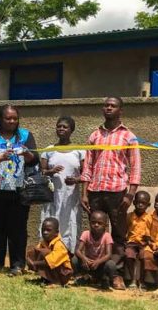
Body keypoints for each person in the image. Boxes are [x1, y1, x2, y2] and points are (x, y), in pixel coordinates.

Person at [0, 104, 39, 276]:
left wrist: (29, 156)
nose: (12, 121)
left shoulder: (26, 136)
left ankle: (17, 264)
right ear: (0, 119)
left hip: (19, 190)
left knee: (18, 228)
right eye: (8, 118)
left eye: (15, 118)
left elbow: (35, 159)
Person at [80, 97, 141, 266]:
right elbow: (87, 167)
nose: (108, 108)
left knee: (118, 233)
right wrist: (84, 194)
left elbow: (135, 168)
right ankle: (94, 270)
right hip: (95, 191)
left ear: (120, 111)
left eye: (113, 106)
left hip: (117, 192)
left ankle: (116, 272)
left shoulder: (129, 136)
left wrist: (130, 195)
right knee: (95, 232)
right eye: (106, 105)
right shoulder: (95, 135)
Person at [40, 116, 85, 253]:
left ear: (71, 130)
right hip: (52, 196)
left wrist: (76, 180)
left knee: (70, 224)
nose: (61, 129)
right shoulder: (49, 149)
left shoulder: (80, 151)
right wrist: (51, 171)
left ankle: (69, 255)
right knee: (51, 222)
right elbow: (41, 173)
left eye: (65, 127)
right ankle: (48, 255)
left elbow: (86, 175)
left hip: (70, 197)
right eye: (59, 126)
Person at [74, 211, 120, 289]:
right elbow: (77, 251)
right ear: (89, 223)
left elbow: (109, 254)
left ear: (105, 225)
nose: (96, 225)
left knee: (111, 265)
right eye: (93, 222)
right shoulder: (86, 234)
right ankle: (85, 277)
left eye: (99, 223)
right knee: (74, 260)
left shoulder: (107, 236)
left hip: (100, 265)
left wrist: (98, 262)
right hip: (88, 264)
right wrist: (84, 259)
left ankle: (104, 278)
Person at [25, 218, 73, 287]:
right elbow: (35, 253)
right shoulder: (44, 242)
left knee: (45, 253)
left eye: (48, 230)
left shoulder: (59, 245)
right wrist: (29, 260)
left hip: (63, 274)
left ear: (56, 232)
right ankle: (45, 279)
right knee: (34, 252)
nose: (45, 232)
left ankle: (57, 282)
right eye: (43, 230)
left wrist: (34, 263)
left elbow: (50, 261)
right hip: (53, 269)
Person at [125, 191, 151, 290]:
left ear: (148, 205)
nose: (140, 205)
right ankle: (132, 280)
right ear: (134, 202)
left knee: (144, 256)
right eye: (138, 202)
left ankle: (142, 281)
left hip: (144, 244)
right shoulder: (129, 216)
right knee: (129, 254)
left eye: (143, 203)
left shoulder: (149, 218)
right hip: (131, 243)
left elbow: (152, 233)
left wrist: (149, 239)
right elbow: (125, 229)